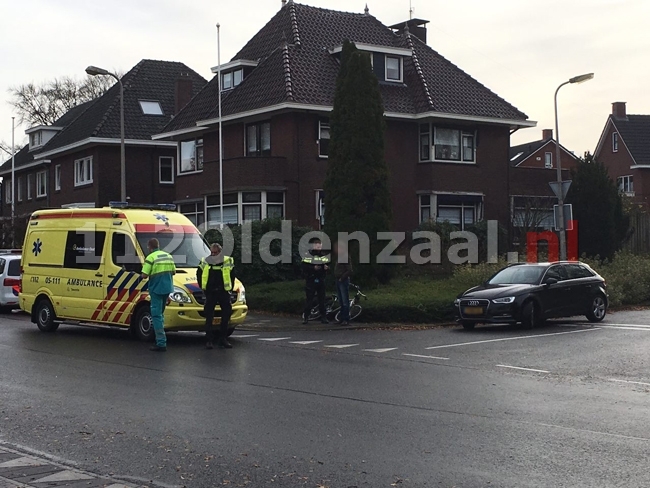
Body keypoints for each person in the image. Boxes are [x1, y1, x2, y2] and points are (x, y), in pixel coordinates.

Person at [141, 238, 176, 352]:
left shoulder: (150, 258)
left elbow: (144, 275)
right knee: (160, 314)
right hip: (167, 289)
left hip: (156, 289)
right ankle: (161, 339)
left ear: (149, 247)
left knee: (156, 316)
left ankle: (161, 343)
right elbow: (173, 271)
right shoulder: (168, 256)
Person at [197, 243, 235, 349]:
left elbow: (232, 275)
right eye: (212, 252)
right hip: (211, 292)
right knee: (209, 316)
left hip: (223, 292)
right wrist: (203, 287)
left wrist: (230, 289)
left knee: (226, 315)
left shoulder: (227, 260)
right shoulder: (205, 261)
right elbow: (199, 274)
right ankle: (209, 340)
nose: (213, 254)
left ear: (220, 252)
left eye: (215, 252)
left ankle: (223, 339)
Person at [302, 238, 330, 324]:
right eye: (317, 246)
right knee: (309, 299)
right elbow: (304, 267)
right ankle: (306, 317)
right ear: (313, 246)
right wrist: (313, 268)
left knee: (322, 300)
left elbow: (328, 266)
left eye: (320, 246)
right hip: (311, 279)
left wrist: (327, 268)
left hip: (321, 279)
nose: (319, 248)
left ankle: (323, 317)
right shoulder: (308, 255)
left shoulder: (324, 255)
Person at [334, 242, 353, 325]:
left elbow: (349, 270)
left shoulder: (345, 257)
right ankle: (341, 318)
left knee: (345, 301)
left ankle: (346, 319)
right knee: (341, 300)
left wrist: (342, 277)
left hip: (343, 280)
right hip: (338, 280)